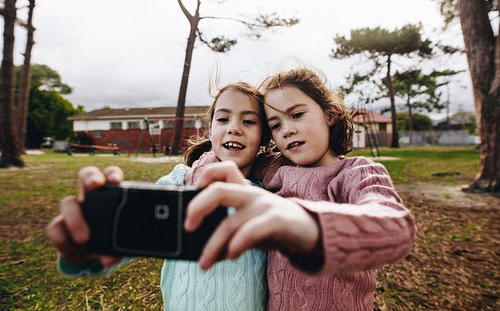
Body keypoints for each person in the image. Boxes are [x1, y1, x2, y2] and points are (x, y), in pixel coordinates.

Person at [184, 68, 416, 310]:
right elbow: (225, 157)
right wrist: (200, 178)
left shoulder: (357, 172)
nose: (287, 130)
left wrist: (309, 227)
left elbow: (396, 228)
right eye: (275, 124)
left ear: (330, 114)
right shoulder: (275, 167)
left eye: (296, 115)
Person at [46, 82, 271, 310]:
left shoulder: (270, 199)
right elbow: (131, 235)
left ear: (264, 136)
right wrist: (92, 243)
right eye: (223, 119)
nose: (234, 128)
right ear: (210, 128)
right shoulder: (179, 182)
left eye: (249, 121)